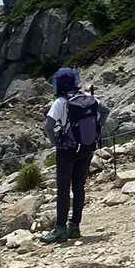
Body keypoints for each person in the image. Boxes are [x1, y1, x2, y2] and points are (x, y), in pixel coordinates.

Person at [41, 67, 110, 243]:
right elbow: (105, 110)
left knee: (63, 189)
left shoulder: (61, 102)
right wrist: (97, 129)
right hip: (86, 147)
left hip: (67, 150)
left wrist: (56, 142)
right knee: (79, 187)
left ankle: (60, 229)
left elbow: (48, 126)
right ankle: (75, 227)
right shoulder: (88, 97)